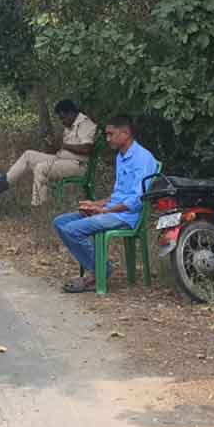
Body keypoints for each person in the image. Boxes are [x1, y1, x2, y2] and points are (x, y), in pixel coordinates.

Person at [52, 115, 158, 293]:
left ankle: (100, 272)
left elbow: (136, 200)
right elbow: (117, 195)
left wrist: (104, 211)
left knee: (72, 229)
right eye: (107, 134)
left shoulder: (143, 158)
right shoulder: (121, 156)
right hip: (113, 211)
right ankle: (98, 268)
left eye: (111, 134)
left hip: (127, 216)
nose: (107, 139)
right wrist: (95, 204)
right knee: (60, 222)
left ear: (125, 133)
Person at [0, 100, 98, 207]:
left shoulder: (85, 123)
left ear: (71, 113)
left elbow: (86, 149)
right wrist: (52, 145)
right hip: (64, 160)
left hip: (79, 165)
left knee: (41, 168)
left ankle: (39, 205)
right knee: (28, 155)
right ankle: (3, 182)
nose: (62, 121)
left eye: (63, 117)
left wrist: (63, 146)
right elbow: (65, 149)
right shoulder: (70, 126)